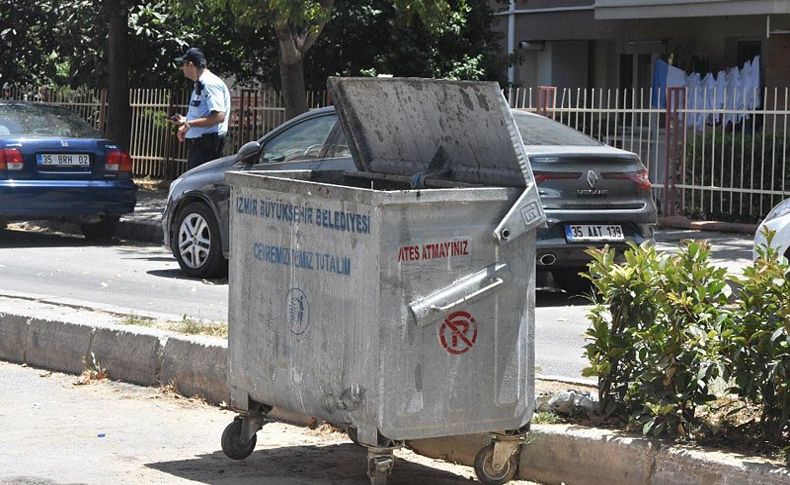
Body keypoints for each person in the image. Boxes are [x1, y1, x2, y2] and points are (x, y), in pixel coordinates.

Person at [171, 47, 231, 170]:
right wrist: (184, 119)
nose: (182, 68)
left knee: (199, 186)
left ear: (190, 64)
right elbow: (205, 114)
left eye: (183, 64)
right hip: (201, 146)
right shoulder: (201, 83)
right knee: (196, 186)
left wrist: (188, 124)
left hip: (206, 147)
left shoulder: (209, 83)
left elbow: (219, 116)